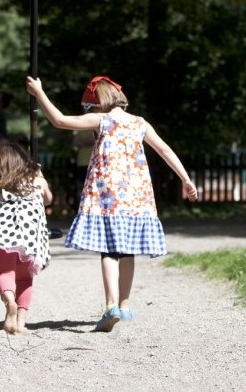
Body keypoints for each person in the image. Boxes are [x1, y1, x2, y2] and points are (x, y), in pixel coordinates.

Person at [25, 75, 198, 332]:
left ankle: (110, 305)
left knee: (109, 250)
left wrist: (39, 93)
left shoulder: (102, 120)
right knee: (128, 250)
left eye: (90, 106)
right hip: (137, 197)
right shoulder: (140, 123)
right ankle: (125, 305)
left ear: (97, 103)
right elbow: (165, 150)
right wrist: (185, 179)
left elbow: (60, 120)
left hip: (108, 196)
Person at [0, 142, 53, 334]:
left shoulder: (0, 186)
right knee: (25, 278)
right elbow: (48, 200)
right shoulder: (37, 182)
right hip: (30, 240)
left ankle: (9, 302)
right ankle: (21, 321)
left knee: (5, 273)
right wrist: (40, 177)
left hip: (3, 237)